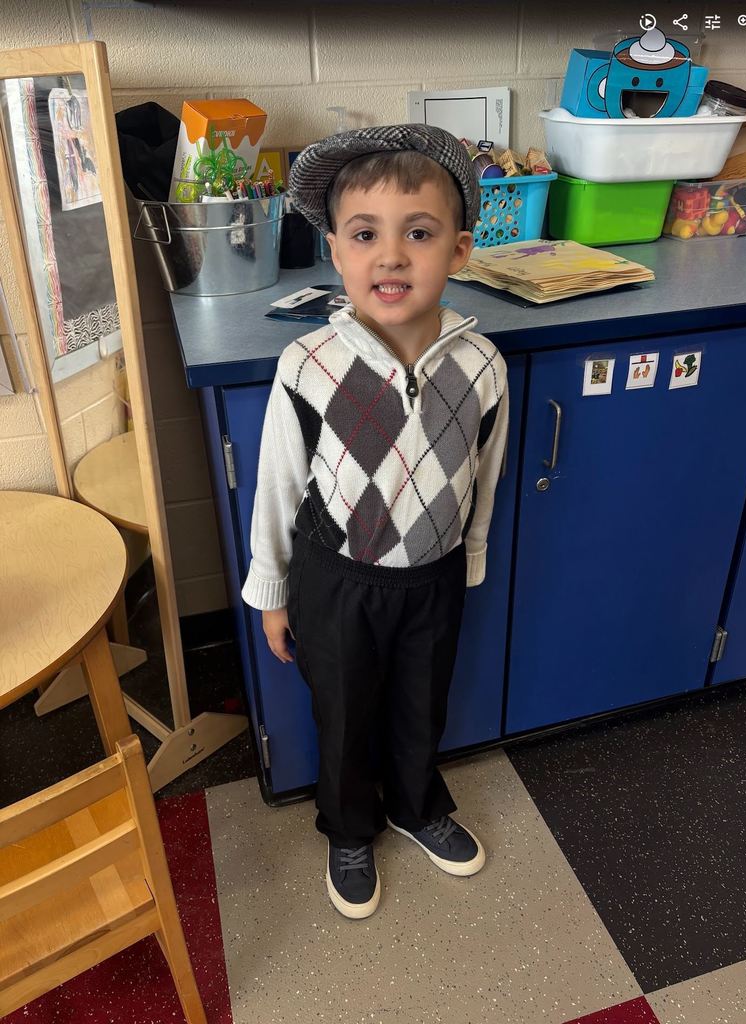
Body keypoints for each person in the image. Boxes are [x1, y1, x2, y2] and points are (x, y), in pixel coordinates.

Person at [242, 124, 509, 920]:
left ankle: (416, 804)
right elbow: (277, 487)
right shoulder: (309, 366)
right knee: (347, 709)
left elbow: (484, 474)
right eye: (365, 235)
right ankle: (349, 824)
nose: (390, 256)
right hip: (338, 581)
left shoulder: (482, 365)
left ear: (458, 250)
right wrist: (274, 594)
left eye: (417, 234)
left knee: (419, 702)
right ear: (335, 250)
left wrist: (469, 563)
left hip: (433, 577)